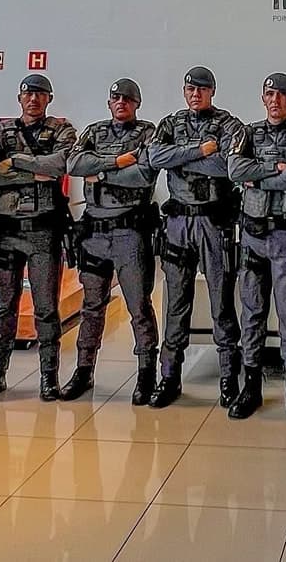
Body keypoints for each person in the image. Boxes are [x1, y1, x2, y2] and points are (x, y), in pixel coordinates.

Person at [0, 74, 76, 404]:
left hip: (44, 232)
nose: (34, 99)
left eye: (40, 94)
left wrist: (13, 161)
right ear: (19, 98)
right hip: (5, 232)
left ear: (49, 98)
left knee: (46, 309)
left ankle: (49, 376)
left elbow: (59, 165)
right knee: (4, 308)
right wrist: (34, 171)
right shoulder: (0, 133)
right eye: (28, 94)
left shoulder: (62, 130)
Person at [148, 66, 245, 408]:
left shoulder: (229, 124)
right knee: (175, 304)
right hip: (177, 224)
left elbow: (229, 167)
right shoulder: (171, 123)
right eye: (190, 88)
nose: (195, 94)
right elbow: (156, 156)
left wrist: (182, 159)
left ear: (212, 91)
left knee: (221, 304)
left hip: (213, 223)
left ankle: (228, 378)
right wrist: (200, 151)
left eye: (201, 89)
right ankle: (169, 377)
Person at [227, 73, 286, 422]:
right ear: (263, 97)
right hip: (252, 237)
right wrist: (273, 168)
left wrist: (259, 176)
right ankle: (250, 386)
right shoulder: (248, 133)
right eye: (270, 94)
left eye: (282, 94)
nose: (275, 100)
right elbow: (235, 169)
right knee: (251, 315)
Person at [64, 79, 159, 403]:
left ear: (137, 103)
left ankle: (147, 372)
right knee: (91, 306)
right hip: (94, 232)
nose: (121, 102)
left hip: (129, 233)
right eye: (116, 98)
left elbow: (144, 174)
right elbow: (75, 164)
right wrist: (118, 163)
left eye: (128, 99)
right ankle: (84, 369)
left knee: (139, 306)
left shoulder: (148, 132)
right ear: (109, 103)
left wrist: (100, 173)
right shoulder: (93, 131)